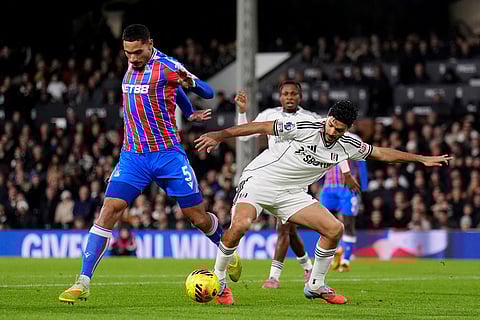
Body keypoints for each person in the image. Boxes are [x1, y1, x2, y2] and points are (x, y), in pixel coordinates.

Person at [194, 100, 452, 304]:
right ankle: (220, 281)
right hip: (261, 180)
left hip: (292, 193)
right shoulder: (305, 127)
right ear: (327, 118)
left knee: (334, 229)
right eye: (330, 124)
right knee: (239, 226)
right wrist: (219, 135)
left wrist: (421, 159)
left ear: (347, 129)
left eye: (339, 129)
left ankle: (315, 285)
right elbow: (260, 127)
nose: (331, 131)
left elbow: (382, 153)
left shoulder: (349, 145)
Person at [59, 24, 241, 305]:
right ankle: (82, 282)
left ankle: (223, 244)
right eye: (127, 53)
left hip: (168, 155)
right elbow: (163, 90)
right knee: (109, 212)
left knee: (197, 217)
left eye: (137, 51)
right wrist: (188, 112)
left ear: (150, 44)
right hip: (133, 156)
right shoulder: (133, 65)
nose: (132, 58)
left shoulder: (167, 65)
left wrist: (190, 87)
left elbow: (207, 91)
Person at [235, 81, 360, 289]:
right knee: (289, 230)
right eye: (285, 93)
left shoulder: (311, 119)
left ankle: (274, 277)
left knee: (284, 228)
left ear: (300, 97)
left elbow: (337, 144)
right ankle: (308, 267)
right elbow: (244, 136)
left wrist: (346, 172)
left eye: (293, 93)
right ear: (280, 96)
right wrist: (241, 112)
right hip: (271, 175)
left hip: (297, 179)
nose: (289, 97)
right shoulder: (269, 114)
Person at [321, 157, 368, 273]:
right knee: (323, 224)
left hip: (347, 189)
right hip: (328, 188)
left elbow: (361, 166)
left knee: (348, 223)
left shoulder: (354, 139)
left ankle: (345, 260)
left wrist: (365, 189)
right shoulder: (322, 139)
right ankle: (333, 254)